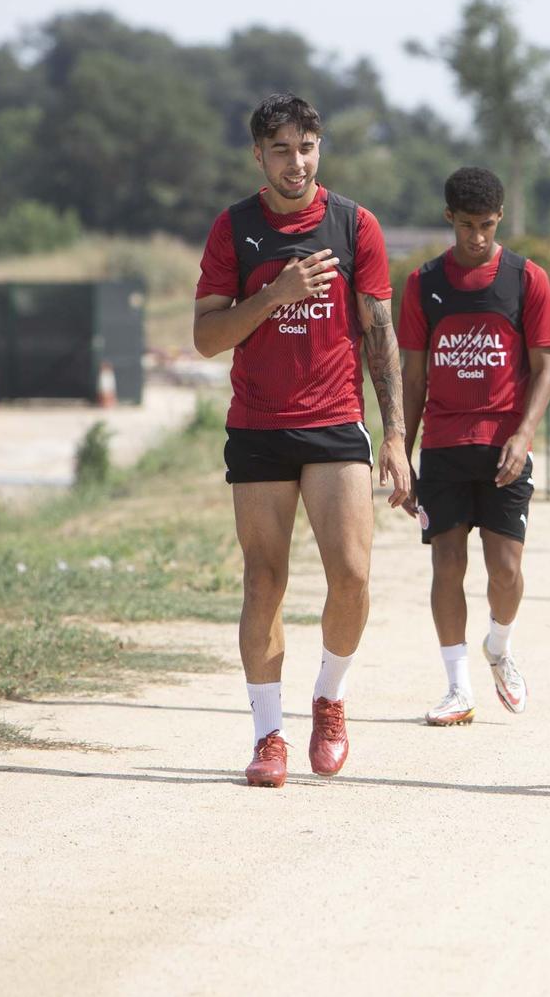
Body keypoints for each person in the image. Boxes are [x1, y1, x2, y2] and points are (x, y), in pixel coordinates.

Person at [192, 93, 412, 789]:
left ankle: (329, 697)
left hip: (333, 421)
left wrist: (398, 434)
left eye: (307, 147)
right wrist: (273, 296)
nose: (297, 162)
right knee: (265, 579)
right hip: (258, 426)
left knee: (351, 573)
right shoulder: (235, 229)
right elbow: (204, 337)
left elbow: (381, 334)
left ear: (321, 150)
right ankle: (267, 736)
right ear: (259, 154)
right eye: (282, 149)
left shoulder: (355, 225)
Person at [400, 167, 550, 726]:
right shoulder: (423, 284)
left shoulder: (525, 279)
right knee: (446, 563)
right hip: (444, 446)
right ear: (450, 218)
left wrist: (524, 434)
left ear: (499, 220)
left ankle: (499, 645)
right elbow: (413, 378)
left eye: (487, 226)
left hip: (503, 447)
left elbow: (546, 368)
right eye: (467, 226)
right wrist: (400, 448)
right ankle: (456, 686)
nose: (477, 237)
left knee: (506, 570)